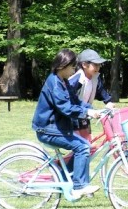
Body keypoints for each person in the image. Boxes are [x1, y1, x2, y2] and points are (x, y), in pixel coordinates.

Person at [32, 49, 102, 199]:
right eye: (71, 67)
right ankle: (79, 187)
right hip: (47, 129)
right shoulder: (55, 83)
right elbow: (65, 108)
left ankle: (66, 177)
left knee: (83, 146)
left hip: (54, 128)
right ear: (62, 66)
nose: (73, 70)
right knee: (83, 147)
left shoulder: (61, 81)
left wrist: (92, 109)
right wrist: (87, 113)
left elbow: (75, 101)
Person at [68, 49, 114, 143]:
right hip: (74, 115)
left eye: (99, 65)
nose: (98, 67)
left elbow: (101, 91)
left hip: (85, 114)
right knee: (80, 145)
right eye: (95, 65)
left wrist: (108, 101)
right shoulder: (78, 78)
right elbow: (67, 96)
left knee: (88, 141)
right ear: (84, 65)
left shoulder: (95, 78)